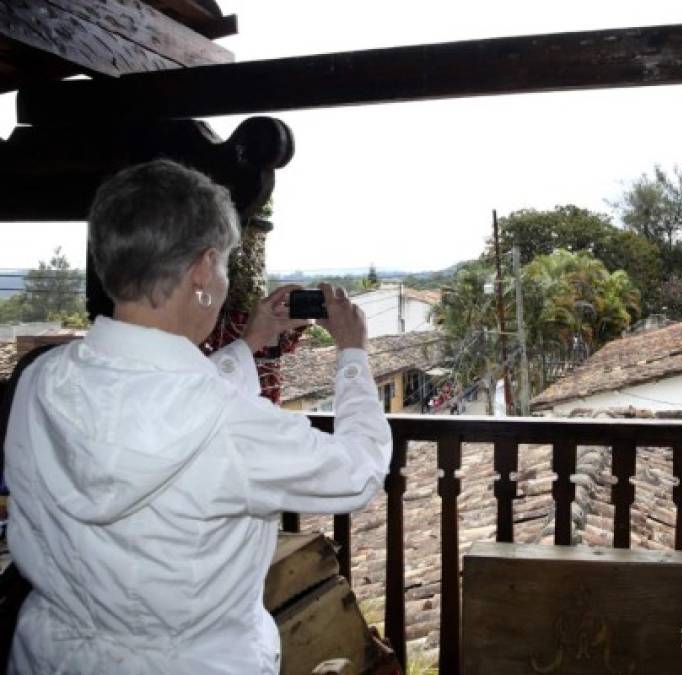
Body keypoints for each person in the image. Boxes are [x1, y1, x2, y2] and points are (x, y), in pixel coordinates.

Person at [3, 159, 392, 674]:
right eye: (226, 265)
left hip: (47, 657)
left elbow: (157, 405)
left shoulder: (40, 380)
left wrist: (251, 342)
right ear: (204, 269)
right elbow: (359, 468)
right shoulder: (228, 425)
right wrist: (353, 355)